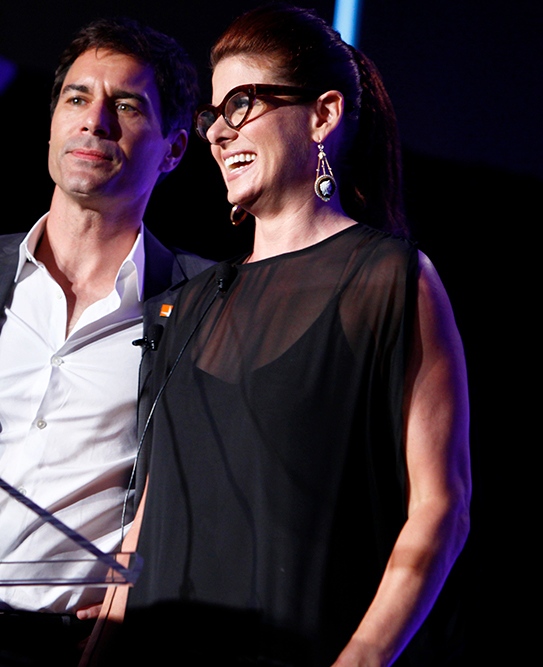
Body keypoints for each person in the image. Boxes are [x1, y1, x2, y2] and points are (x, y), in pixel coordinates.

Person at [85, 6, 470, 667]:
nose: (218, 133)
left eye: (243, 104)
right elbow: (146, 518)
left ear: (322, 115)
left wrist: (364, 655)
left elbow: (443, 504)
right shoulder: (187, 304)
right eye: (213, 114)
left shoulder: (387, 278)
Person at [0, 17, 211, 666]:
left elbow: (213, 494)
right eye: (77, 98)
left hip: (81, 649)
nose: (94, 121)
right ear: (52, 121)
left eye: (126, 105)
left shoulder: (204, 301)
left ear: (173, 148)